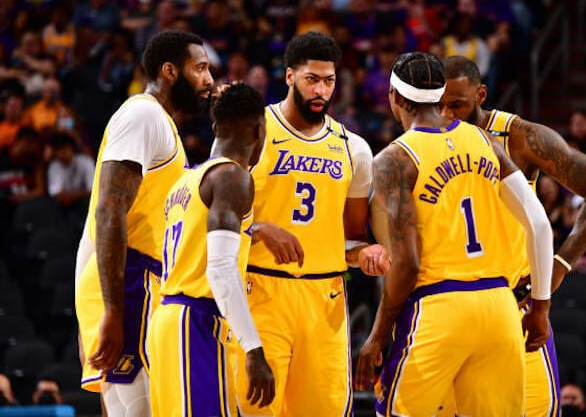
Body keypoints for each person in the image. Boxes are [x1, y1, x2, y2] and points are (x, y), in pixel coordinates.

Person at [355, 51, 553, 416]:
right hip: (499, 308)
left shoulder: (394, 160)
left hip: (438, 307)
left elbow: (408, 263)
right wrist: (540, 305)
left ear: (395, 97)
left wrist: (378, 335)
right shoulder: (485, 140)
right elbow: (539, 224)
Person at [441, 55, 586, 416]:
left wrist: (558, 267)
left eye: (456, 104)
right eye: (438, 106)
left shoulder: (520, 137)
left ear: (480, 95)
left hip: (513, 305)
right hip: (451, 306)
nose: (446, 115)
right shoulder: (425, 142)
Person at [237, 31, 388, 417]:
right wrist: (257, 228)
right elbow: (212, 214)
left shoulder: (354, 148)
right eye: (312, 79)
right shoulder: (253, 130)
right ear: (290, 76)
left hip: (325, 300)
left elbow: (351, 238)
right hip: (260, 293)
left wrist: (365, 252)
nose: (321, 90)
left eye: (329, 81)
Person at [74, 30, 213, 416]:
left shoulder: (162, 124)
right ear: (170, 71)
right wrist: (112, 310)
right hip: (131, 282)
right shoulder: (143, 115)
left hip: (141, 282)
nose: (209, 79)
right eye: (200, 68)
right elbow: (108, 211)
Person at [148, 83, 275, 416]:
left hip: (168, 319)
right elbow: (220, 268)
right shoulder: (233, 177)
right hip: (196, 320)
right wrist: (254, 349)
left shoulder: (187, 181)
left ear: (216, 127)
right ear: (259, 131)